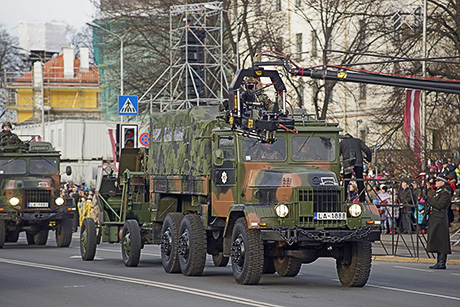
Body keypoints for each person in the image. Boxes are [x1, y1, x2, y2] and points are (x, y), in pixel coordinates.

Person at [426, 175, 452, 269]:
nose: (435, 182)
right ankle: (438, 261)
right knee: (436, 240)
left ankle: (442, 262)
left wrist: (428, 200)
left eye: (438, 181)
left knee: (442, 240)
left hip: (440, 218)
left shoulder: (445, 193)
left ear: (442, 182)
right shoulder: (437, 192)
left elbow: (440, 205)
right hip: (435, 217)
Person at [339, 133, 372, 202]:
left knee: (346, 182)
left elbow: (337, 154)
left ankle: (343, 199)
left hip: (347, 164)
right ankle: (362, 199)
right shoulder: (358, 141)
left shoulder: (342, 143)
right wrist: (368, 159)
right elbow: (367, 150)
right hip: (358, 164)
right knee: (360, 181)